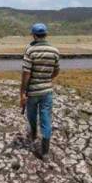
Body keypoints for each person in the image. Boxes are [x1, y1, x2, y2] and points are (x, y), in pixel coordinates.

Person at [20, 23, 60, 162]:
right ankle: (45, 153)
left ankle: (33, 136)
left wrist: (22, 93)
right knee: (46, 120)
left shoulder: (30, 51)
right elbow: (56, 71)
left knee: (32, 116)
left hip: (32, 92)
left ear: (33, 35)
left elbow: (26, 74)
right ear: (46, 35)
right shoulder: (54, 51)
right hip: (47, 91)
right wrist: (47, 80)